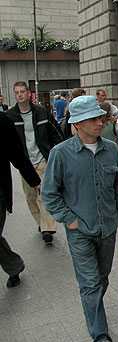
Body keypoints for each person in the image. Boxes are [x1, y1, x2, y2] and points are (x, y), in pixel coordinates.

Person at [41, 95, 118, 342]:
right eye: (93, 119)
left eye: (100, 117)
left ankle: (93, 310)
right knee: (90, 283)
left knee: (102, 278)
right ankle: (100, 335)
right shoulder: (60, 154)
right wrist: (68, 219)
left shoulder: (111, 149)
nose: (100, 122)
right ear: (77, 124)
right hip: (79, 230)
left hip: (108, 228)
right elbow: (49, 193)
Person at [5, 81, 62, 245]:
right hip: (25, 164)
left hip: (43, 160)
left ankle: (47, 229)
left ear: (29, 93)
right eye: (17, 92)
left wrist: (58, 152)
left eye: (23, 91)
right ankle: (41, 223)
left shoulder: (41, 112)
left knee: (44, 195)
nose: (20, 94)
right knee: (30, 197)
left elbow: (55, 132)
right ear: (14, 95)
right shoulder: (10, 116)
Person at [0, 115, 41, 288]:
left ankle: (14, 266)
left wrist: (34, 181)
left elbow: (17, 155)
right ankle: (14, 265)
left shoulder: (2, 122)